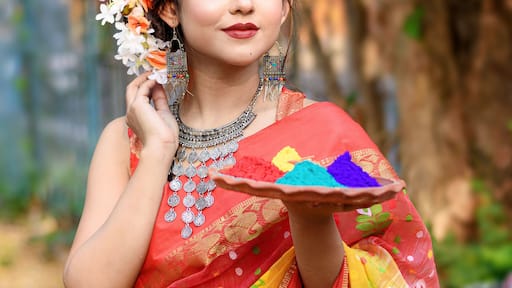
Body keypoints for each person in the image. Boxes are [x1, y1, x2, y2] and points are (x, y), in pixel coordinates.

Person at [63, 0, 439, 287]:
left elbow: (374, 273)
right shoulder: (125, 141)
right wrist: (157, 152)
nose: (244, 4)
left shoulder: (321, 133)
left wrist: (310, 217)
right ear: (169, 8)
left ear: (285, 6)